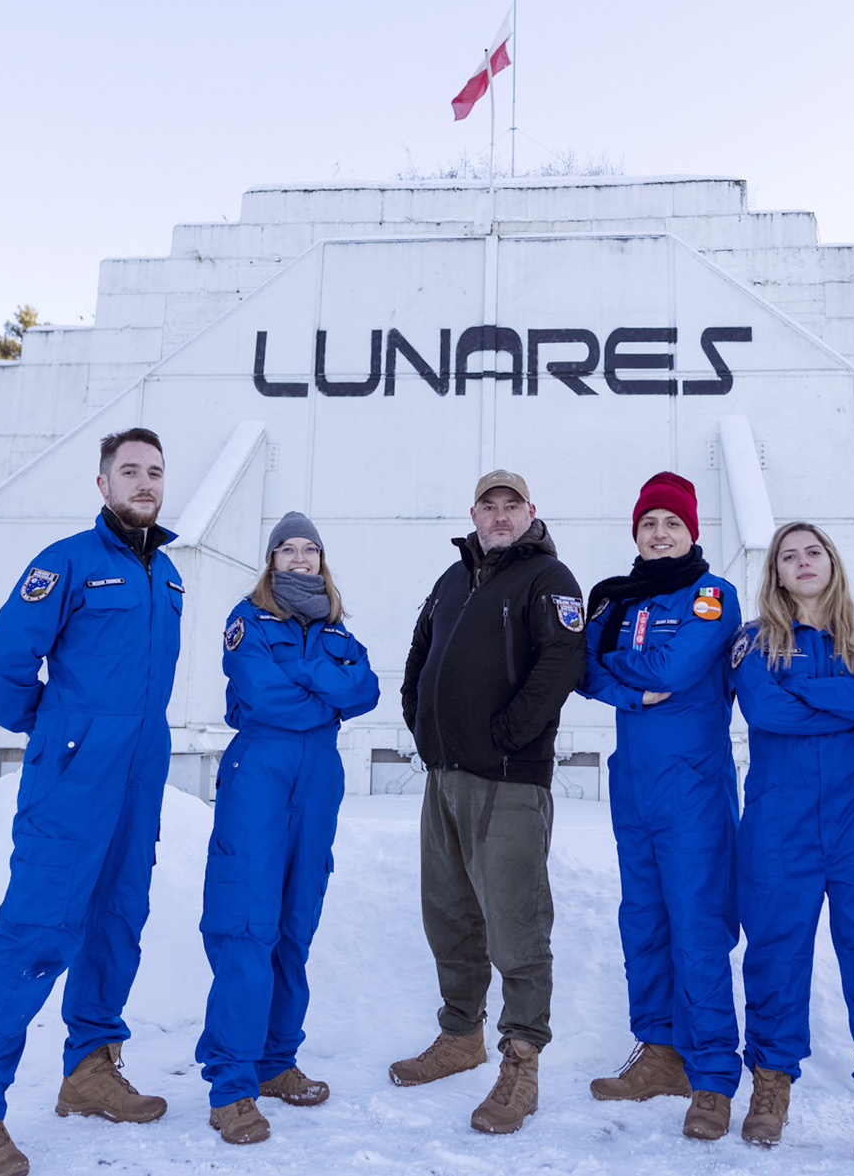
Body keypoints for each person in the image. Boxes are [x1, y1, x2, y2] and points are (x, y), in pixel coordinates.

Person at [0, 428, 182, 1176]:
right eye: (130, 471)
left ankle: (90, 1069)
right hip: (74, 774)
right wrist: (53, 726)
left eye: (154, 473)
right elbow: (4, 662)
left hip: (139, 775)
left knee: (118, 921)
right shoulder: (67, 562)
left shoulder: (167, 572)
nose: (144, 483)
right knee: (37, 930)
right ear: (104, 483)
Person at [391, 469, 586, 1135]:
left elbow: (561, 660)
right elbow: (420, 651)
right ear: (472, 511)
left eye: (512, 506)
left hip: (509, 780)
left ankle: (521, 1059)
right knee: (449, 912)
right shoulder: (452, 580)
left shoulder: (547, 578)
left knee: (516, 923)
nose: (499, 515)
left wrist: (510, 734)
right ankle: (460, 1034)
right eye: (488, 505)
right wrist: (420, 720)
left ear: (531, 510)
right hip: (443, 774)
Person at [731, 521, 854, 1162]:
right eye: (789, 555)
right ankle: (770, 1084)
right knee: (776, 952)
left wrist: (804, 689)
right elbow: (765, 711)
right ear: (776, 573)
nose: (803, 562)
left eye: (814, 552)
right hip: (779, 822)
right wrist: (847, 698)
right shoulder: (753, 642)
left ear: (832, 563)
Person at [197, 511, 380, 1145]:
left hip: (318, 781)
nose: (299, 558)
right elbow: (267, 696)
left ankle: (275, 1062)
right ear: (271, 560)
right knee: (247, 922)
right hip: (262, 770)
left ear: (321, 560)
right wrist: (323, 689)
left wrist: (307, 676)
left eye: (310, 550)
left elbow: (367, 692)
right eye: (287, 549)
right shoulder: (247, 621)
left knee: (295, 923)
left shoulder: (339, 632)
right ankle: (232, 1084)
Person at [576, 471, 743, 1141]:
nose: (660, 532)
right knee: (643, 919)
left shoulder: (711, 594)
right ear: (636, 532)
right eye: (649, 523)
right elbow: (579, 669)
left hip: (693, 787)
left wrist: (620, 670)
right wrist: (627, 690)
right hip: (634, 785)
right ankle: (659, 1052)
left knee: (698, 924)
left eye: (671, 522)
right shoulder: (614, 599)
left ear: (691, 530)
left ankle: (711, 1075)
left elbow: (675, 671)